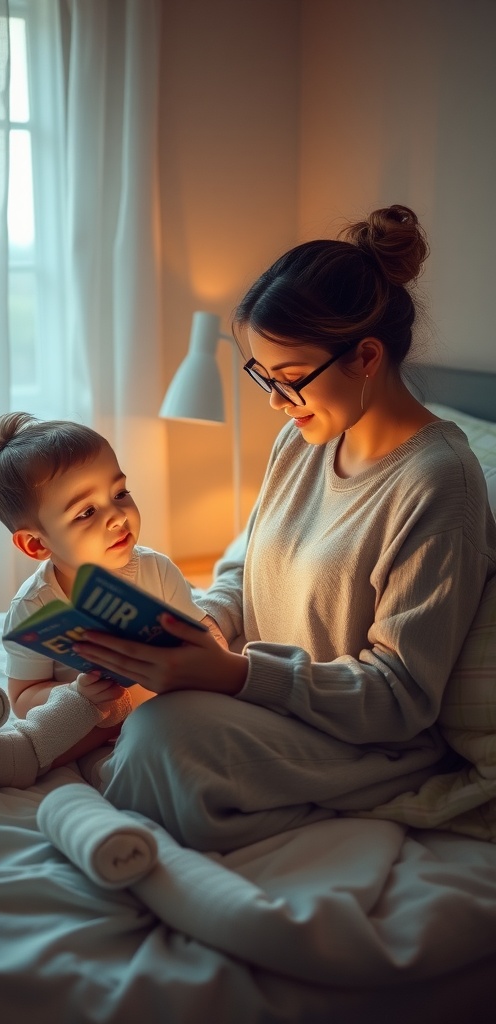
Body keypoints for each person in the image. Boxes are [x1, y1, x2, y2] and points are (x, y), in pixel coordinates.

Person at [67, 204, 496, 853]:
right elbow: (245, 566)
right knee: (129, 713)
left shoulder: (440, 482)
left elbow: (400, 696)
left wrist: (236, 676)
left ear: (367, 356)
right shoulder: (303, 439)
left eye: (291, 380)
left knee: (161, 742)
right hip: (272, 702)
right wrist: (205, 629)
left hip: (366, 741)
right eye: (263, 377)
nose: (274, 401)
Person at [0, 415, 220, 787]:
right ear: (37, 544)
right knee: (82, 721)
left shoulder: (156, 570)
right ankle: (24, 756)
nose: (116, 517)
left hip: (162, 700)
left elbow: (200, 629)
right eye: (86, 512)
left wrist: (214, 648)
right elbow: (24, 698)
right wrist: (78, 693)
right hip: (93, 716)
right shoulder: (35, 606)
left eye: (120, 494)